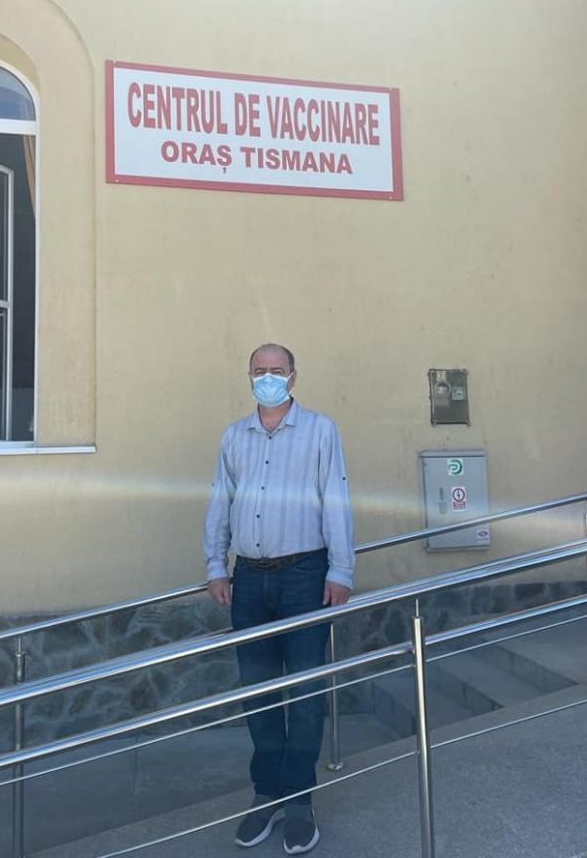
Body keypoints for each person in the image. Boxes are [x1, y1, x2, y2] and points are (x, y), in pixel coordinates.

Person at [203, 343, 354, 855]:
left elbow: (335, 498)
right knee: (259, 689)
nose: (268, 377)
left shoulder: (320, 431)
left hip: (305, 576)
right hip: (249, 579)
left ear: (293, 377)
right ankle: (267, 792)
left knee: (306, 688)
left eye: (276, 370)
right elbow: (220, 500)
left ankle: (300, 800)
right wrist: (215, 565)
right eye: (259, 370)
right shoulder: (234, 437)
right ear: (249, 376)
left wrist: (341, 569)